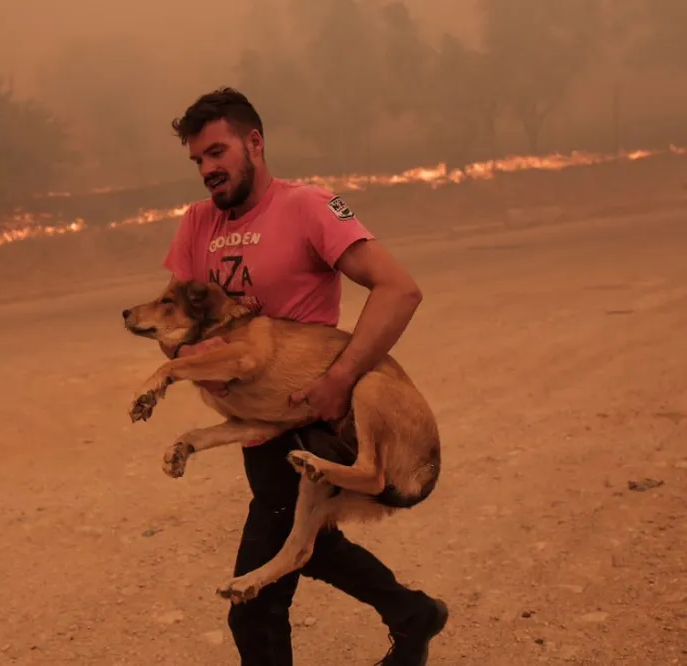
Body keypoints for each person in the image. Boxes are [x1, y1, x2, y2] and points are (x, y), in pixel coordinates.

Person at [158, 87, 448, 666]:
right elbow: (176, 320)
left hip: (307, 421)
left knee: (254, 610)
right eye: (198, 160)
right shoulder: (196, 224)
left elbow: (399, 289)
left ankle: (414, 614)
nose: (208, 170)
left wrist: (341, 378)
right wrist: (188, 357)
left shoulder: (310, 207)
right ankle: (414, 614)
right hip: (251, 426)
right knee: (312, 545)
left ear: (255, 143)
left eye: (217, 152)